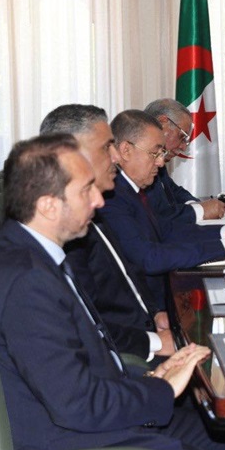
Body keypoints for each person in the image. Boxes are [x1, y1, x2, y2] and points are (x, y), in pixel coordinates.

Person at [0, 134, 225, 450]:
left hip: (104, 407)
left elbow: (72, 368)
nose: (98, 200)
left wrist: (151, 380)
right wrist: (162, 389)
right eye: (85, 191)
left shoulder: (29, 252)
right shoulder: (26, 282)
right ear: (48, 206)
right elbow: (76, 405)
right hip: (78, 449)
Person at [39, 104, 173, 362]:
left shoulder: (95, 204)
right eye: (106, 147)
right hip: (126, 356)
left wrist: (155, 312)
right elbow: (87, 323)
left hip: (144, 329)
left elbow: (127, 272)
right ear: (70, 155)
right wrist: (155, 343)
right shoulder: (62, 227)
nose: (116, 157)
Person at [100, 110, 225, 306]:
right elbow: (149, 258)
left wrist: (224, 234)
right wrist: (224, 247)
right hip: (143, 306)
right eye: (155, 153)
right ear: (125, 150)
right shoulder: (112, 196)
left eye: (161, 153)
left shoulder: (131, 188)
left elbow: (164, 229)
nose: (160, 162)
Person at [144, 98, 225, 223]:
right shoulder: (138, 161)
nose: (183, 147)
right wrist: (200, 210)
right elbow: (158, 216)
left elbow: (173, 190)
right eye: (182, 137)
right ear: (162, 122)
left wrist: (197, 205)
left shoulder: (157, 157)